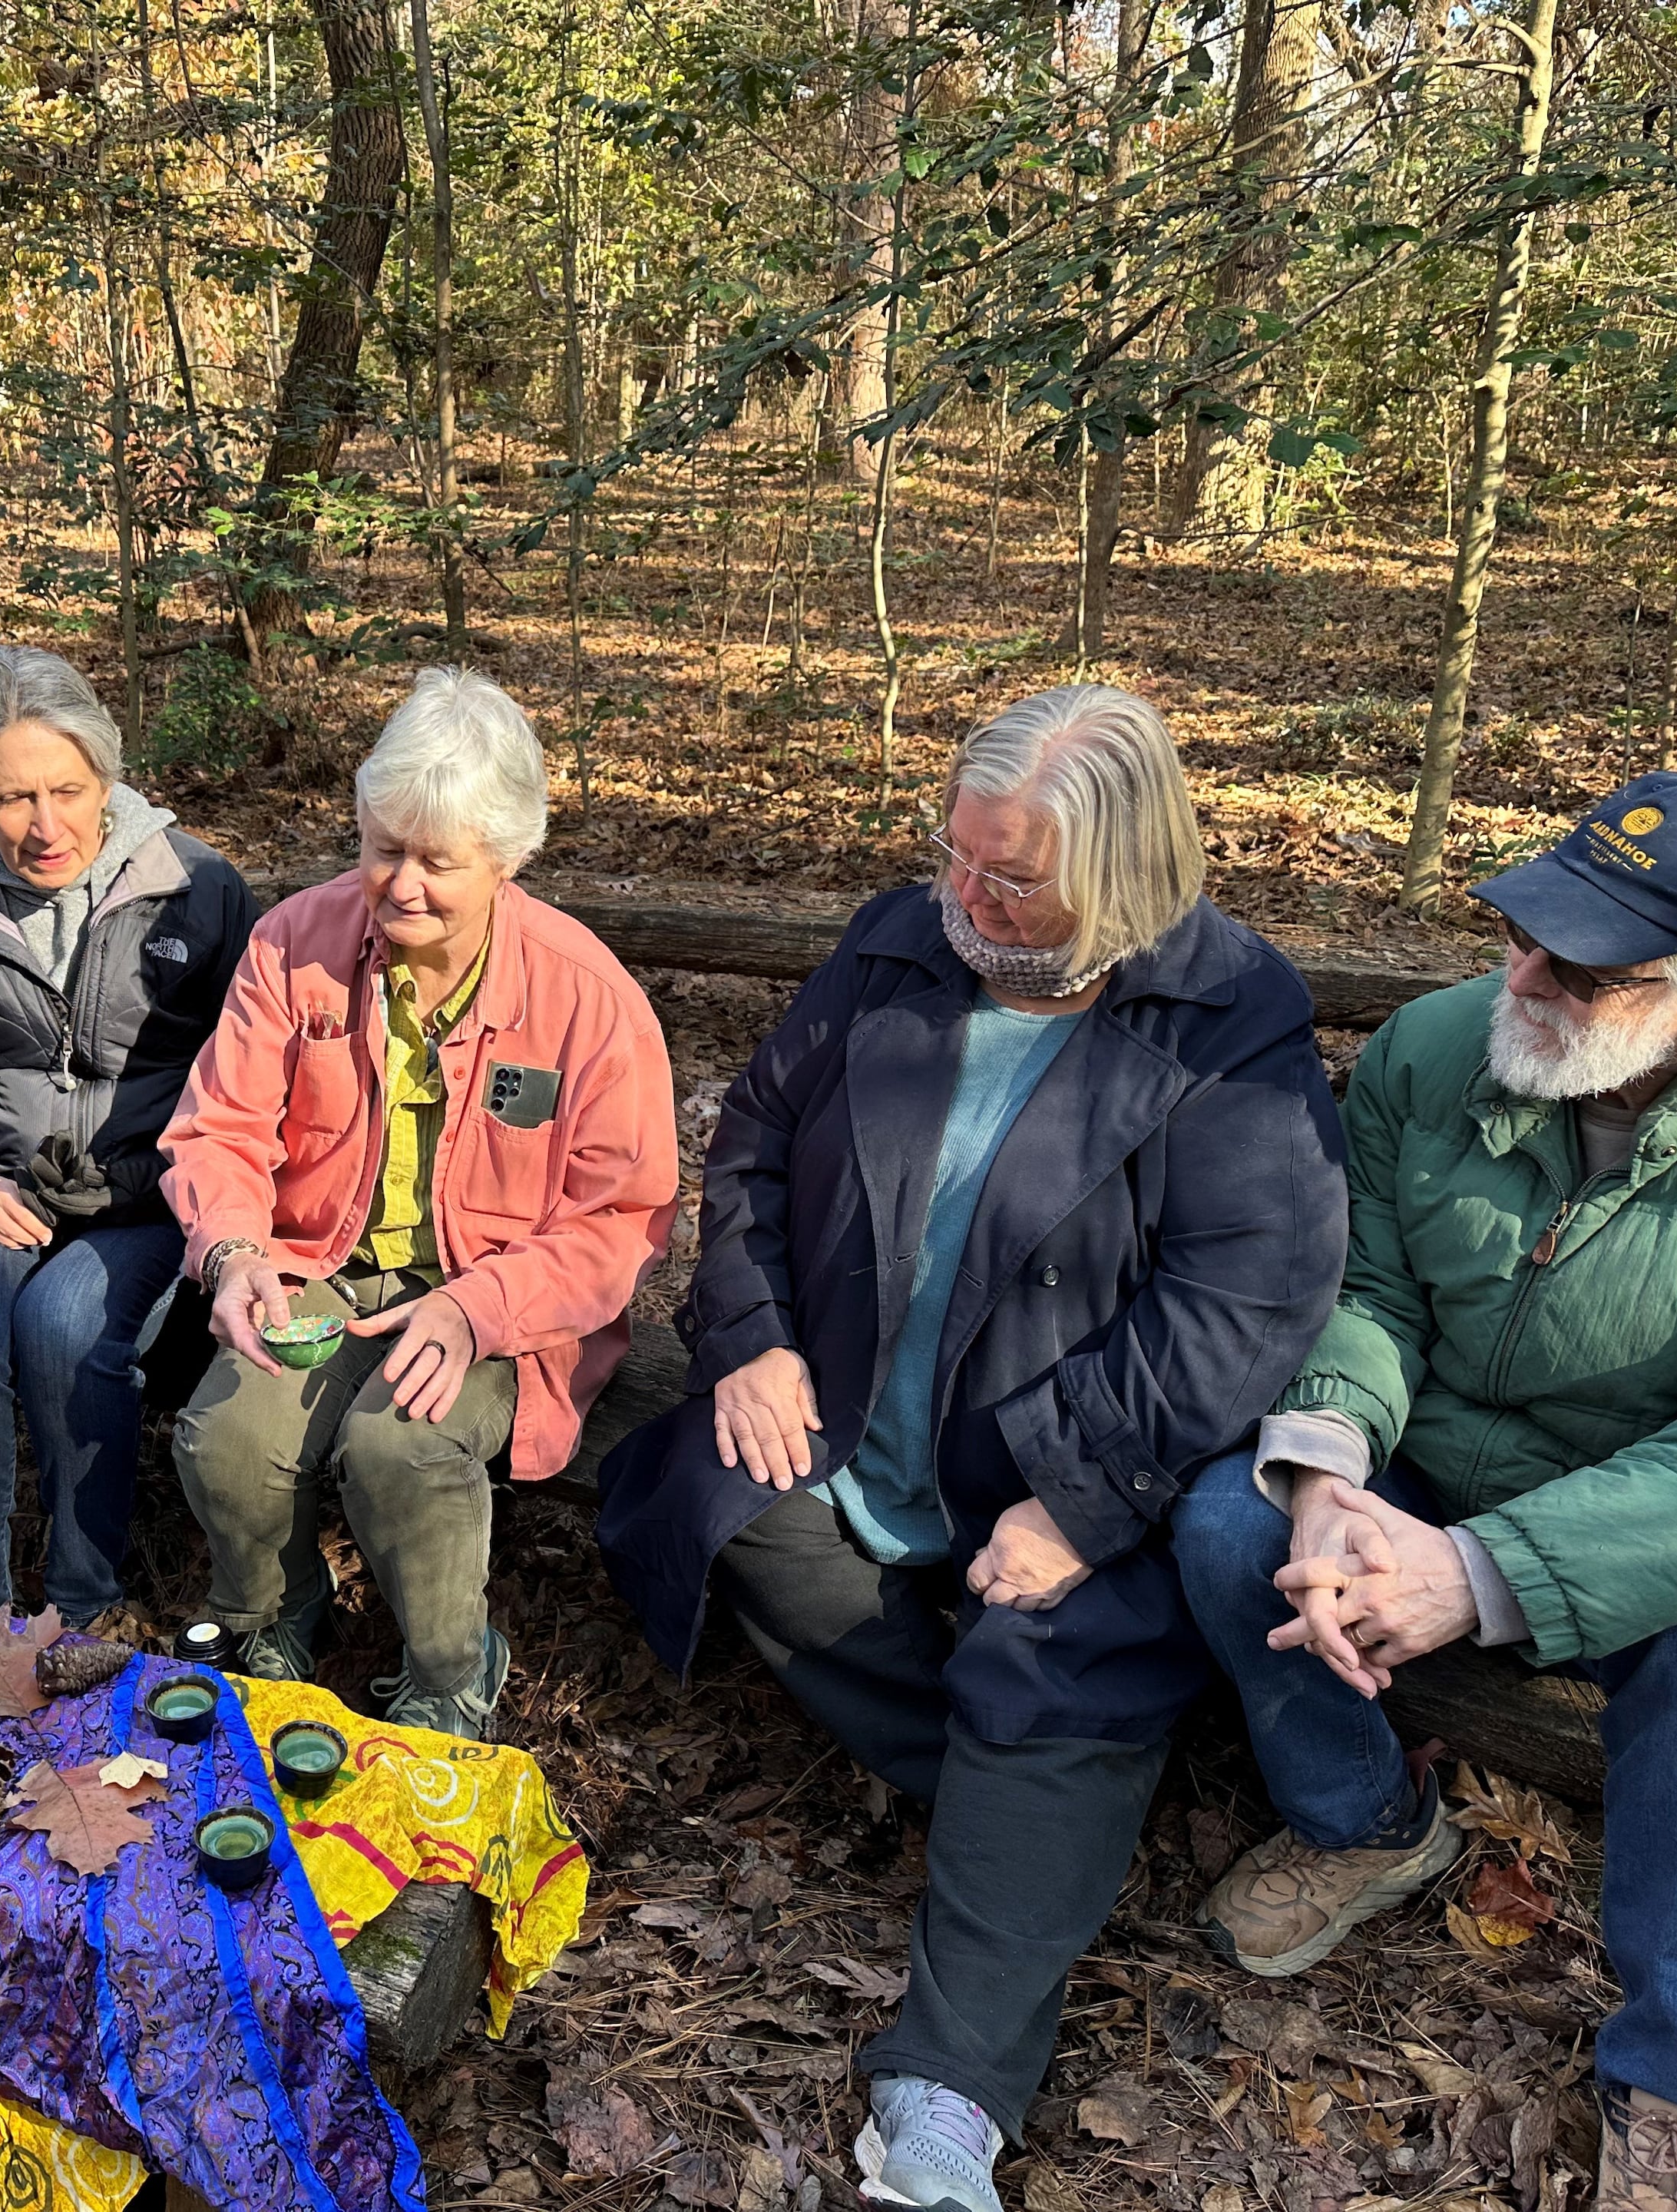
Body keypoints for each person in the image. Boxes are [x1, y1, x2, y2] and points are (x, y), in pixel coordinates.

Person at [597, 684, 1348, 2212]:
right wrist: (754, 1340)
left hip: (1060, 1465)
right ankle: (1035, 1823)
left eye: (1010, 881)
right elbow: (749, 1143)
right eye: (956, 856)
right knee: (727, 1511)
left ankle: (946, 2097)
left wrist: (1080, 1498)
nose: (966, 899)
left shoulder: (1225, 1018)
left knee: (1048, 1655)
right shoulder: (901, 941)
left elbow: (1248, 1293)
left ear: (1122, 878)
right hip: (855, 1414)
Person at [1172, 774, 1677, 2212]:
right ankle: (1368, 1830)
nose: (1521, 977)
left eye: (1584, 967)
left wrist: (1481, 1573)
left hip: (1631, 1500)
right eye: (1525, 931)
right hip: (1425, 1454)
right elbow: (1368, 1284)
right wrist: (1333, 1464)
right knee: (1234, 1520)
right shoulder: (1436, 1047)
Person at [160, 666, 676, 1739]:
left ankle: (447, 1674)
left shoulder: (589, 1000)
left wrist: (476, 1310)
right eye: (383, 846)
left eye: (439, 863)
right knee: (225, 1432)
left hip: (498, 1298)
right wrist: (233, 1250)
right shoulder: (293, 943)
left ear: (509, 857)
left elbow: (619, 1221)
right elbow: (221, 1128)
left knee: (398, 1445)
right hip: (317, 1264)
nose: (401, 885)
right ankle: (275, 1615)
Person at [0, 647, 257, 1636]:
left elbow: (250, 1078)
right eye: (13, 798)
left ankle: (84, 1605)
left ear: (108, 775)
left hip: (145, 1198)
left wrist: (170, 1181)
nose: (47, 827)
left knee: (70, 1328)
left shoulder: (197, 890)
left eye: (69, 790)